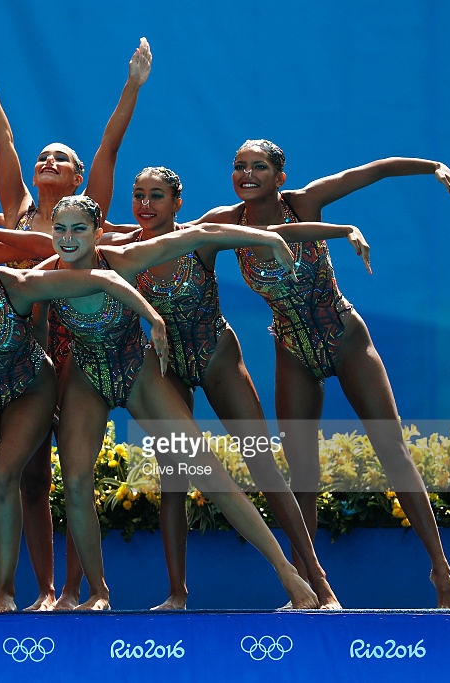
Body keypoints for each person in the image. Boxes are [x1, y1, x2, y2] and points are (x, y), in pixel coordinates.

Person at [194, 139, 450, 608]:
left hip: (344, 338)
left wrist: (434, 166)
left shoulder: (305, 202)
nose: (247, 174)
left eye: (259, 166)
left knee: (393, 452)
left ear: (280, 177)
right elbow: (163, 237)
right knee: (302, 472)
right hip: (292, 348)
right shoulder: (226, 222)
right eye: (239, 166)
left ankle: (441, 573)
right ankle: (310, 586)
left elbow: (377, 167)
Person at [26, 194, 334, 610]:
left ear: (98, 233)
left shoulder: (123, 258)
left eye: (78, 228)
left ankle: (287, 571)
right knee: (77, 483)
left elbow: (203, 234)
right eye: (59, 229)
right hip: (86, 377)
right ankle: (97, 591)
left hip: (137, 370)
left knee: (206, 471)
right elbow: (27, 325)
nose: (67, 237)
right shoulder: (44, 277)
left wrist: (270, 240)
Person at [0, 35, 151, 610]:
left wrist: (132, 86)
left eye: (61, 160)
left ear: (77, 183)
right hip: (20, 357)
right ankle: (45, 589)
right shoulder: (15, 209)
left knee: (76, 476)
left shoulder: (85, 214)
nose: (48, 163)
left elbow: (109, 147)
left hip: (75, 355)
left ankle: (78, 587)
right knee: (28, 478)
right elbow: (4, 138)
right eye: (44, 158)